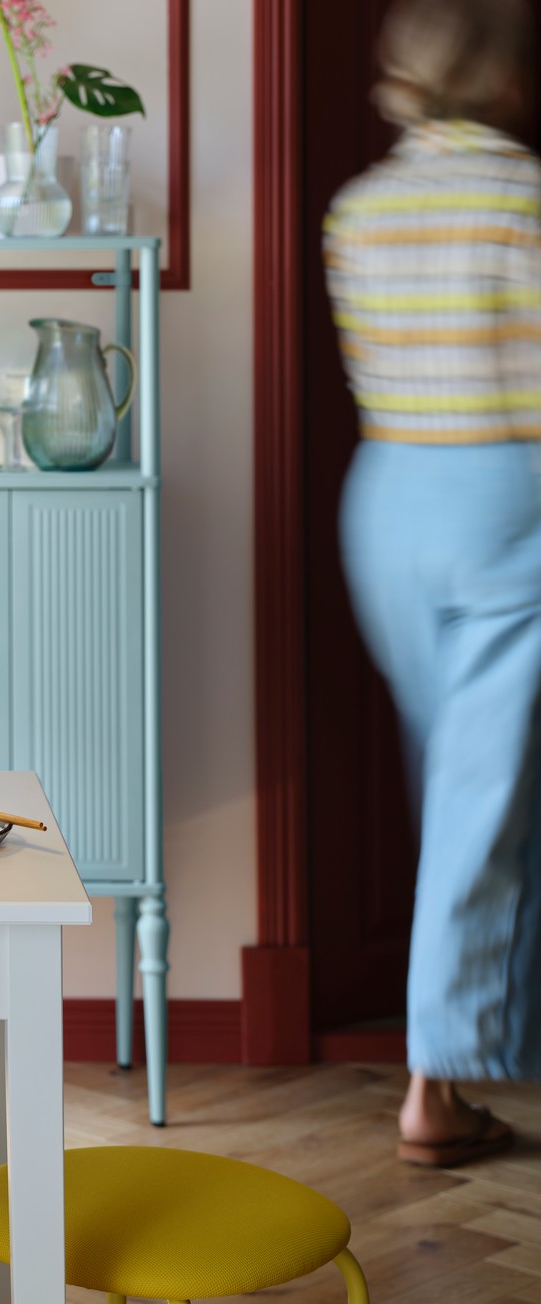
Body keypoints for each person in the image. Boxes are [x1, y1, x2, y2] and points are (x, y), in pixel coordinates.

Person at [325, 0, 540, 1166]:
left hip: (388, 496)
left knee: (451, 782)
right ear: (502, 79)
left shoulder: (359, 207)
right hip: (505, 497)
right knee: (482, 795)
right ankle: (434, 1083)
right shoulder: (522, 198)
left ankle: (455, 1060)